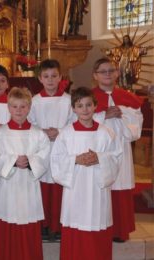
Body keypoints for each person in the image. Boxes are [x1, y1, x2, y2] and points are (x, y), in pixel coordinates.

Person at [51, 86, 122, 260]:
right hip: (75, 193)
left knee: (98, 232)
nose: (85, 109)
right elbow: (56, 161)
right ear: (73, 108)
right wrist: (76, 160)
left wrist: (100, 158)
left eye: (88, 105)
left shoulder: (106, 133)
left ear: (95, 106)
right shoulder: (66, 134)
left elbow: (116, 158)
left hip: (98, 193)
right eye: (80, 105)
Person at [0, 87, 50, 260]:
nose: (18, 110)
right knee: (6, 221)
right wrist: (12, 161)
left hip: (28, 186)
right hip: (7, 187)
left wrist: (30, 161)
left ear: (29, 108)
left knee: (28, 222)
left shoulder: (38, 134)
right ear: (8, 108)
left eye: (23, 106)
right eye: (14, 106)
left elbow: (44, 156)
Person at [91, 57, 143, 242]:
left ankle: (119, 231)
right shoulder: (88, 98)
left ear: (117, 73)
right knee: (99, 185)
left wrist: (121, 115)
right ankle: (100, 229)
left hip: (121, 147)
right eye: (103, 71)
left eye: (111, 71)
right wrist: (103, 115)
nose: (107, 74)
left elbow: (136, 128)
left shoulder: (128, 98)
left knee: (120, 185)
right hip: (98, 149)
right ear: (95, 76)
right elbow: (81, 122)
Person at [27, 59, 74, 240]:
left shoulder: (69, 101)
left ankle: (58, 225)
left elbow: (73, 122)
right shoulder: (34, 101)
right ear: (40, 78)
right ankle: (44, 225)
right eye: (46, 76)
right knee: (43, 188)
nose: (50, 80)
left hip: (62, 149)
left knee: (59, 187)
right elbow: (29, 122)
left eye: (54, 76)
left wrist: (59, 132)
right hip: (42, 149)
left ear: (60, 77)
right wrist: (43, 132)